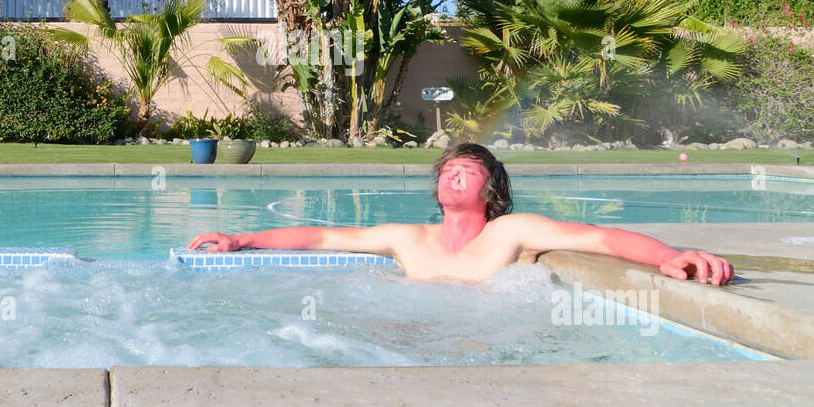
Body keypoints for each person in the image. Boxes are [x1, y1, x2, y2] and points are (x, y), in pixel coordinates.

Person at [187, 142, 735, 285]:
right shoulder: (409, 238)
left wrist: (669, 255)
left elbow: (601, 238)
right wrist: (244, 239)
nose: (452, 172)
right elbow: (325, 239)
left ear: (491, 189)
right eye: (447, 168)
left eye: (467, 169)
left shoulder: (512, 232)